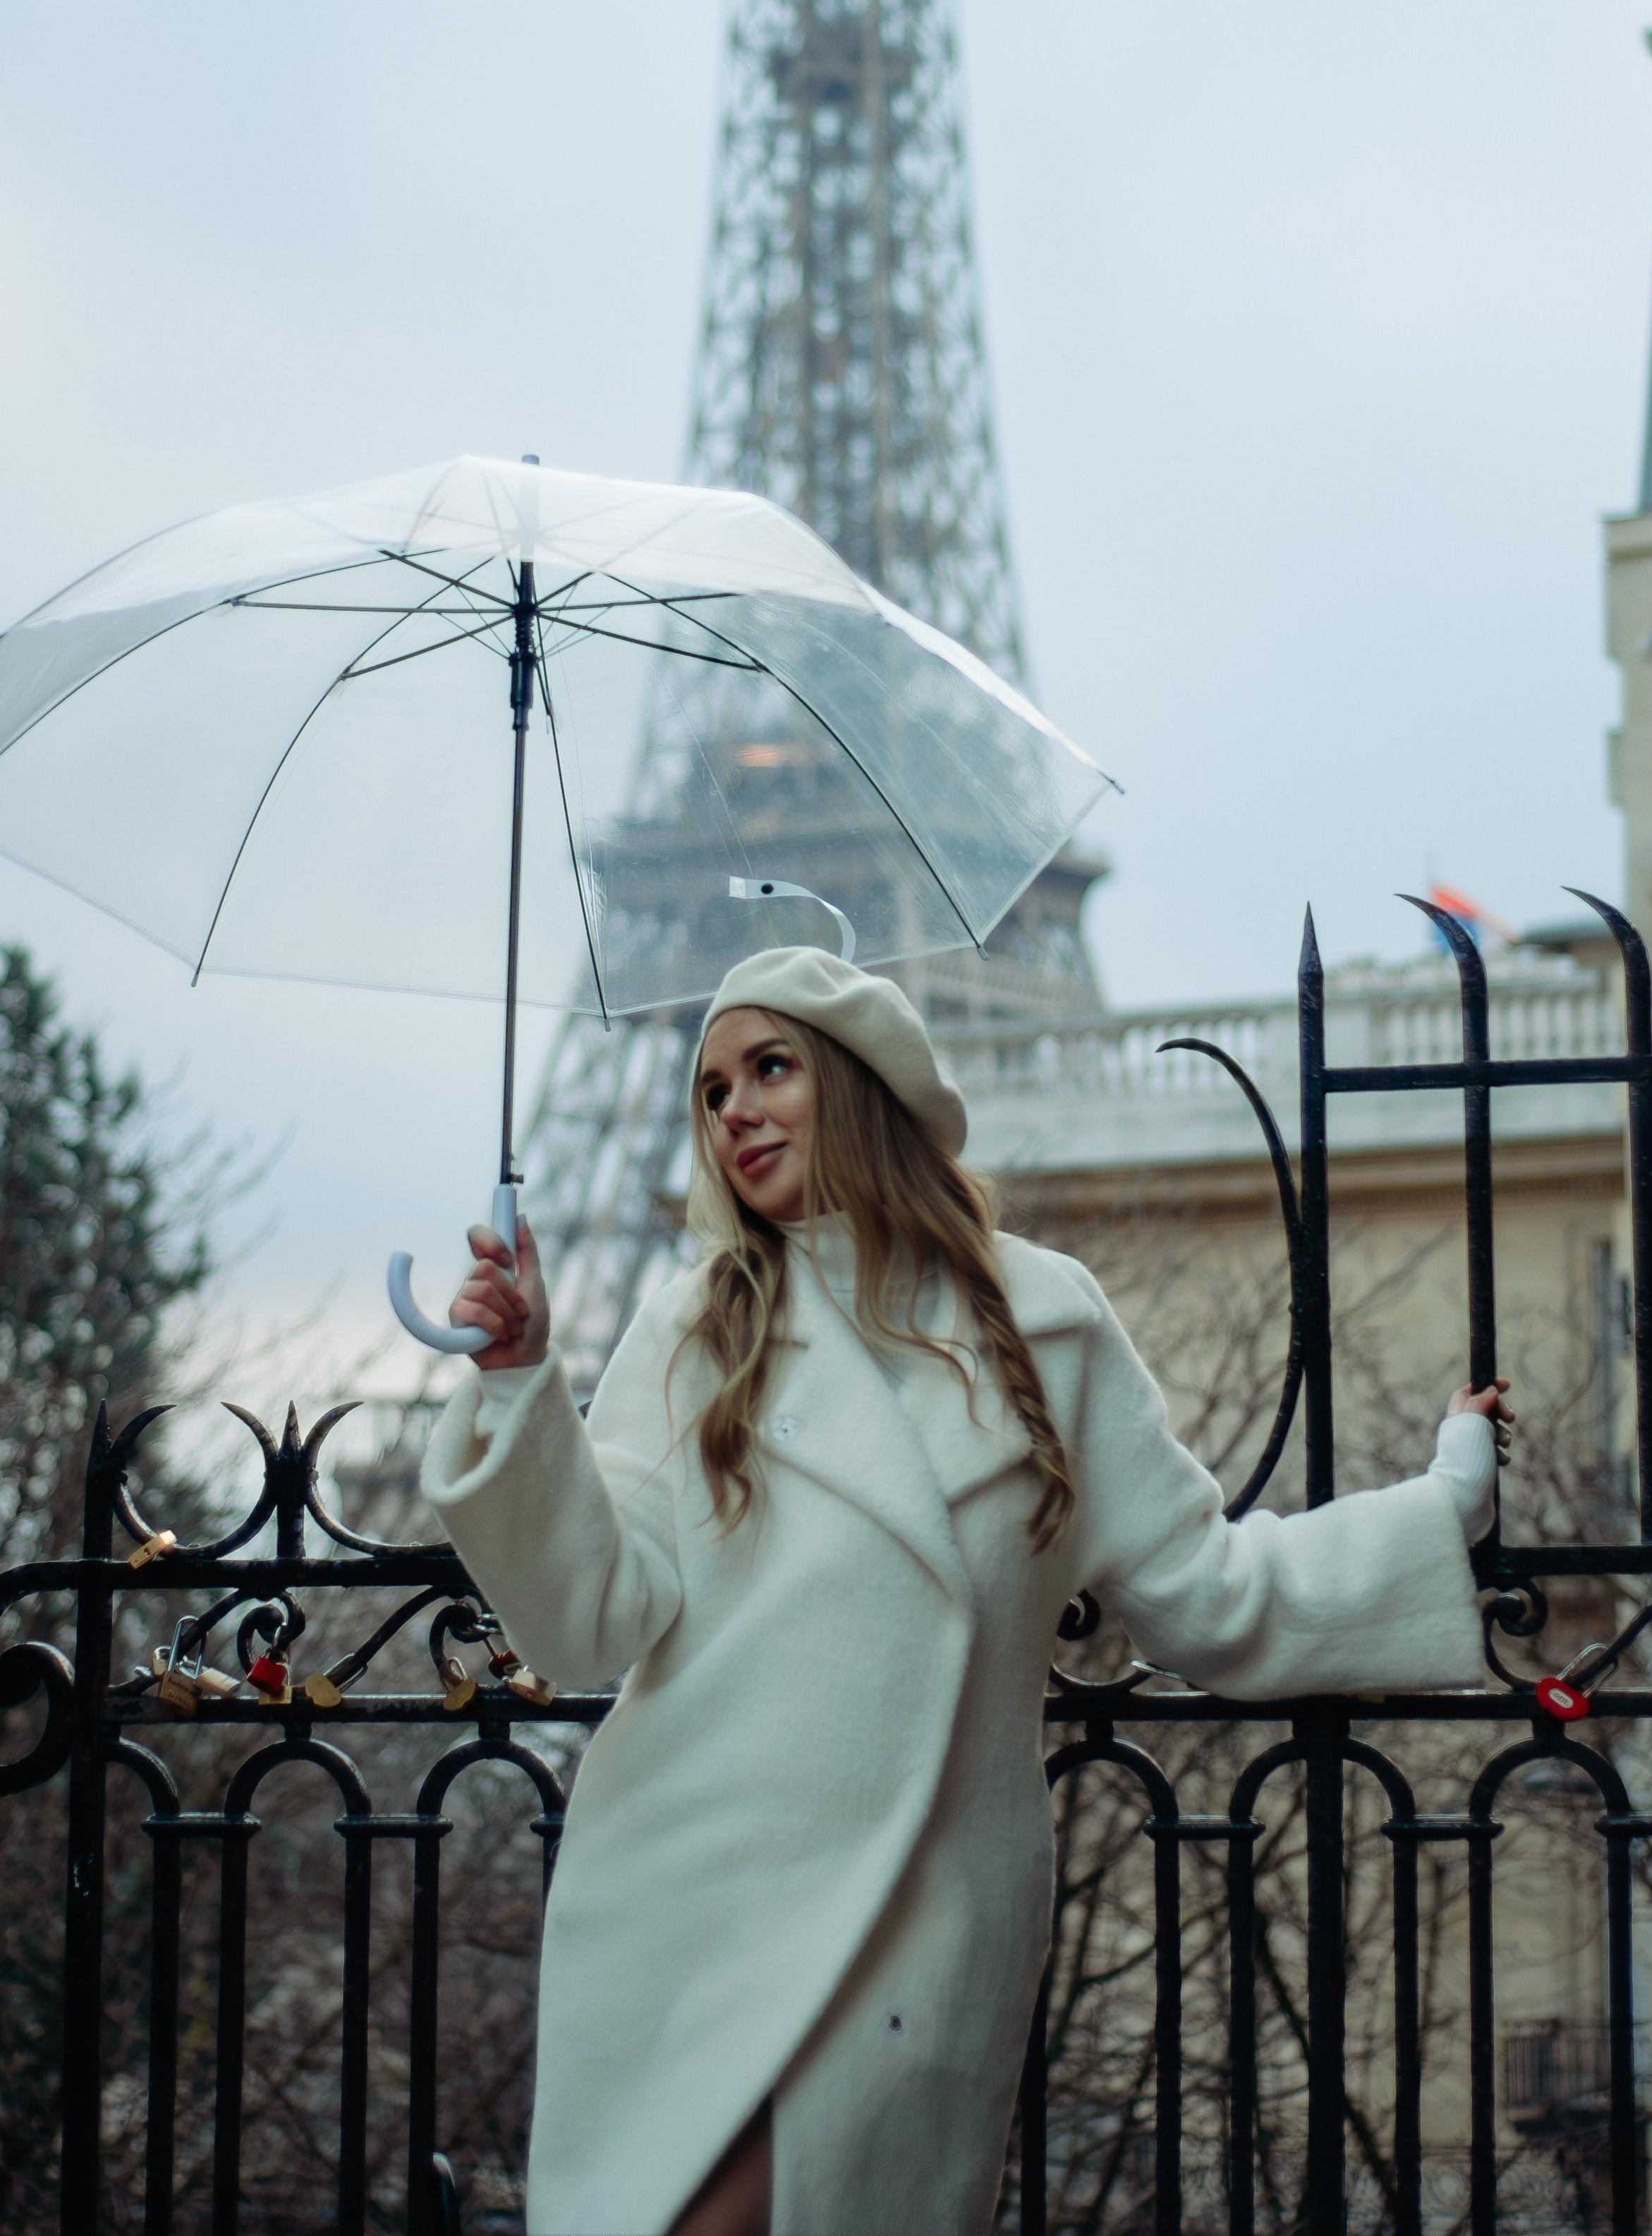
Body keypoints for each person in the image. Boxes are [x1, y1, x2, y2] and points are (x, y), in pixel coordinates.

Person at [423, 948, 1510, 2236]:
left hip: (916, 1928)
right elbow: (586, 1623)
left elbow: (1210, 1593)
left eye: (771, 1069)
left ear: (860, 1084)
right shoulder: (693, 1325)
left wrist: (1444, 1503)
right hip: (692, 1895)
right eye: (712, 1091)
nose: (736, 1112)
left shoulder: (1047, 1321)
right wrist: (519, 1382)